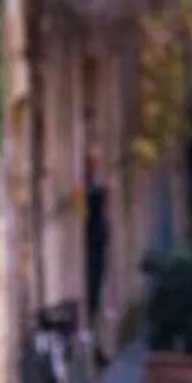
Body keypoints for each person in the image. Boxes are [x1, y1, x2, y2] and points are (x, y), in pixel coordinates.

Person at [83, 153, 111, 369]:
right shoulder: (92, 195)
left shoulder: (97, 193)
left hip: (98, 252)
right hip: (92, 254)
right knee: (93, 303)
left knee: (97, 302)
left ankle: (98, 349)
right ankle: (95, 351)